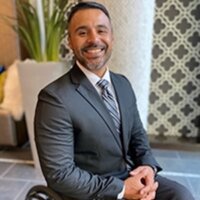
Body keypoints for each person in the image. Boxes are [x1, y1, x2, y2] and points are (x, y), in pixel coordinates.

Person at [34, 2, 194, 200]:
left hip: (130, 175)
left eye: (101, 30)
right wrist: (122, 189)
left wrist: (147, 167)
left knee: (181, 195)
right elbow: (61, 175)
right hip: (91, 190)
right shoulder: (54, 99)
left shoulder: (122, 84)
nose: (94, 39)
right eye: (82, 33)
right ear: (70, 42)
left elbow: (137, 136)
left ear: (112, 37)